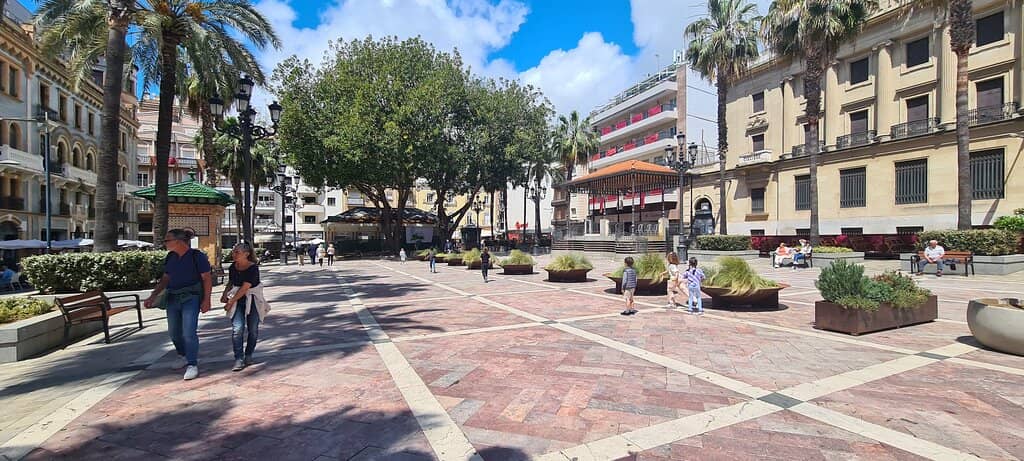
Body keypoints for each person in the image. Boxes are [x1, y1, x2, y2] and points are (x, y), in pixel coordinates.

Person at [143, 229, 213, 381]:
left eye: (168, 240)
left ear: (179, 241)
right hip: (172, 297)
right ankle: (182, 354)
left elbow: (207, 278)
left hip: (191, 297)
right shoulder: (171, 257)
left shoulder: (197, 256)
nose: (165, 243)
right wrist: (153, 295)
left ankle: (192, 363)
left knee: (189, 332)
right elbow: (166, 278)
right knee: (174, 332)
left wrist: (207, 299)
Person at [220, 243, 270, 371]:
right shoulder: (233, 267)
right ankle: (238, 358)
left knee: (252, 329)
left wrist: (230, 302)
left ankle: (249, 354)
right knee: (237, 329)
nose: (234, 254)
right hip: (238, 299)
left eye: (237, 252)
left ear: (246, 254)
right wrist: (225, 294)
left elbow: (245, 287)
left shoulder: (252, 268)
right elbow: (231, 282)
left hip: (251, 298)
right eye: (234, 252)